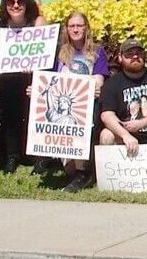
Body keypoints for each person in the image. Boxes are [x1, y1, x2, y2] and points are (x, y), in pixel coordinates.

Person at [0, 0, 47, 173]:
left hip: (33, 77)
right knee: (10, 117)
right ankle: (12, 156)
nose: (15, 5)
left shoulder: (37, 22)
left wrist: (34, 65)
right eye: (11, 2)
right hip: (8, 77)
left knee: (36, 116)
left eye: (20, 1)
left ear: (27, 3)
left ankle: (40, 158)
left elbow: (45, 51)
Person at [54, 11, 109, 191]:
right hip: (63, 103)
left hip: (85, 105)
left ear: (86, 28)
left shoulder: (97, 52)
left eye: (79, 25)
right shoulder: (59, 53)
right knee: (68, 169)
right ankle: (80, 172)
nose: (76, 29)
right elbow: (49, 80)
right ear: (66, 29)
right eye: (72, 26)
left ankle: (83, 173)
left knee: (78, 165)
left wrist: (96, 86)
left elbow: (99, 79)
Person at [99, 39, 147, 156]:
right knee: (106, 135)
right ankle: (112, 168)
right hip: (126, 135)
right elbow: (107, 115)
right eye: (129, 54)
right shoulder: (112, 83)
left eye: (138, 53)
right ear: (120, 57)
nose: (135, 57)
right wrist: (126, 135)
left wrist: (141, 123)